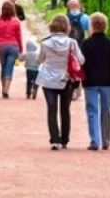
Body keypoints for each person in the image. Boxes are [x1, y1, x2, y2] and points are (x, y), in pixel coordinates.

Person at [37, 14, 84, 150]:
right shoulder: (72, 43)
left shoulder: (45, 43)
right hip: (66, 78)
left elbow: (40, 60)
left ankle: (54, 139)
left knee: (51, 109)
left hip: (48, 80)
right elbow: (81, 60)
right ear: (67, 27)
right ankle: (64, 139)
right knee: (65, 109)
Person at [80, 13, 110, 150]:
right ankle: (106, 140)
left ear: (91, 26)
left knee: (92, 110)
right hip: (107, 81)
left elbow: (81, 62)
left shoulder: (86, 43)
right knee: (106, 111)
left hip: (90, 80)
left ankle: (94, 140)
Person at [0, 1, 24, 98]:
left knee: (3, 67)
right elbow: (19, 36)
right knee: (9, 68)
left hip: (1, 46)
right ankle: (6, 90)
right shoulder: (16, 22)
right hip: (13, 46)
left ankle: (3, 88)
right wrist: (20, 48)